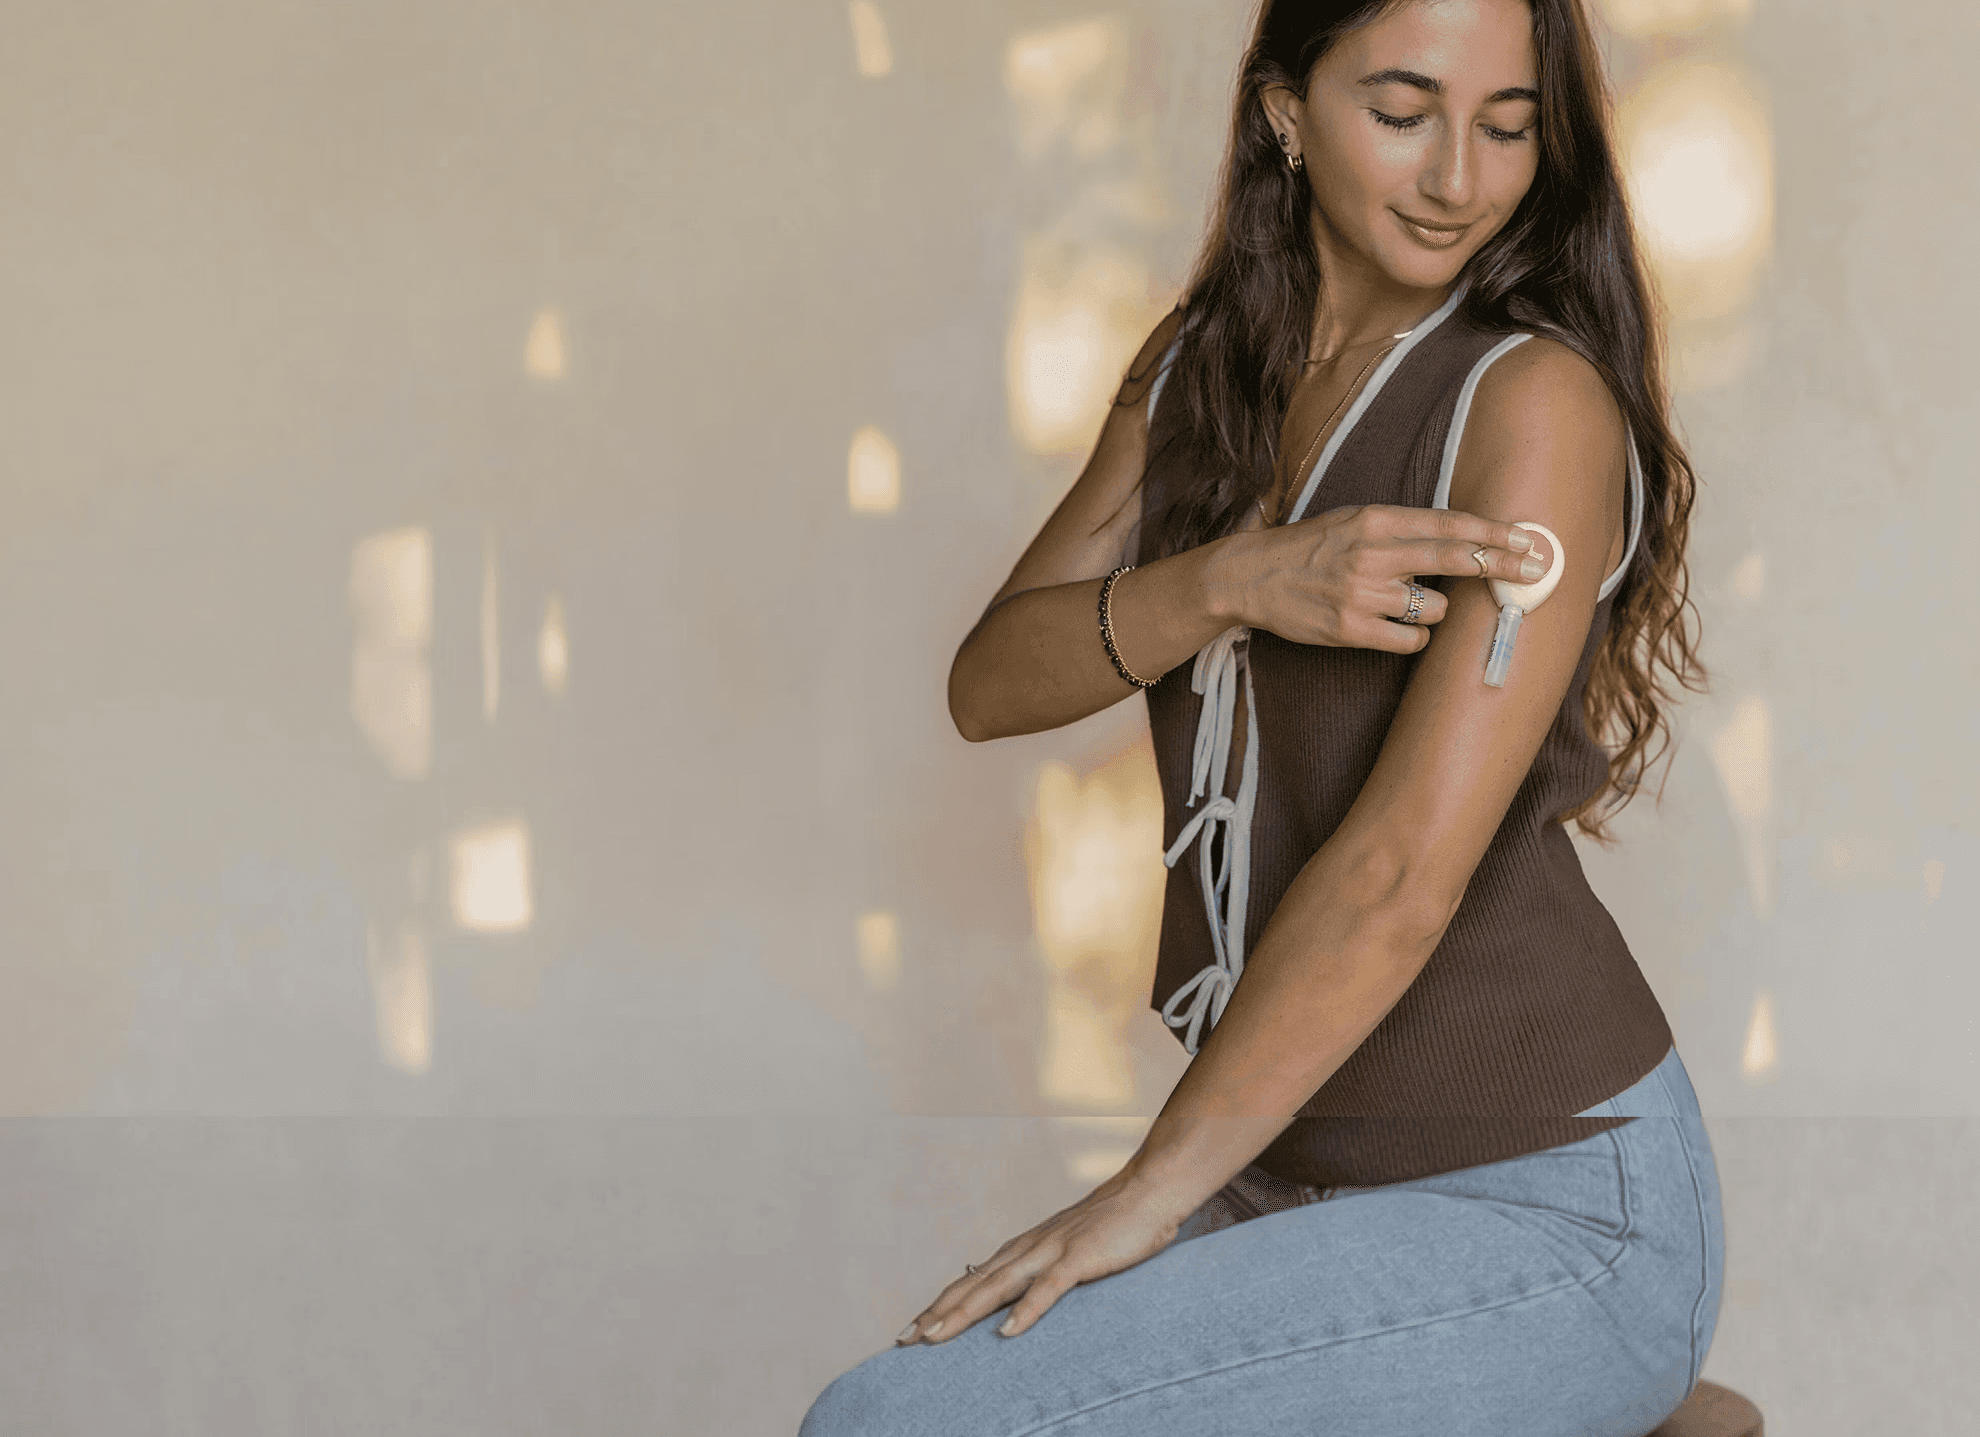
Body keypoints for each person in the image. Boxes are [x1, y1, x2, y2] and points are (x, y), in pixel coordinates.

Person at [802, 0, 1720, 1432]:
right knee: (890, 1408)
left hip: (1556, 1213)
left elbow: (1401, 875)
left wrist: (1146, 1196)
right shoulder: (1199, 368)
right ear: (1286, 113)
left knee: (897, 1428)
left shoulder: (1529, 402)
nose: (1457, 179)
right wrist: (1239, 576)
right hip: (1302, 1173)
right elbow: (993, 680)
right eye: (1402, 112)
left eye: (1508, 124)